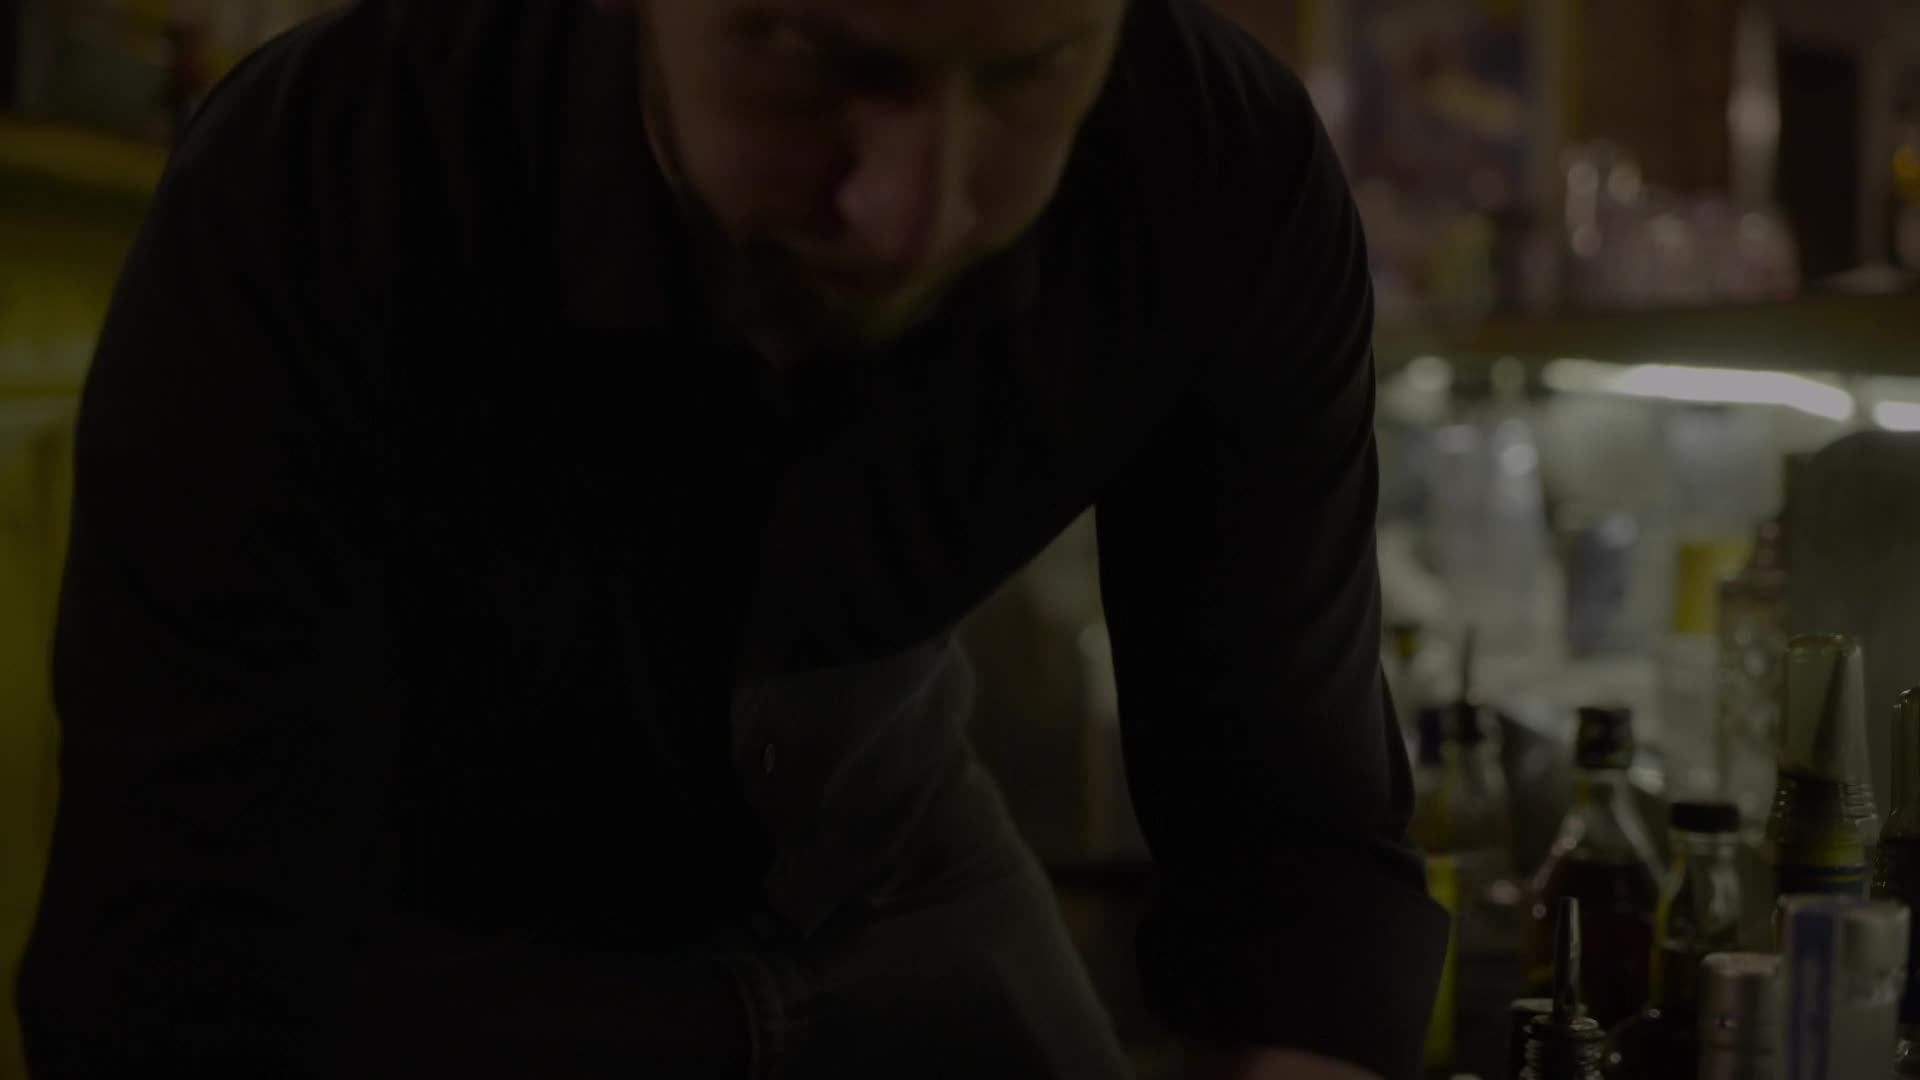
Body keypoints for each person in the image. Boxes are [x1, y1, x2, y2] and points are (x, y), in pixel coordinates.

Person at [14, 0, 1448, 1077]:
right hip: (431, 924)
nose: (913, 215)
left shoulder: (1218, 164)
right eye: (818, 58)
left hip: (899, 866)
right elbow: (185, 953)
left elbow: (1294, 847)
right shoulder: (332, 170)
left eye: (1027, 75)